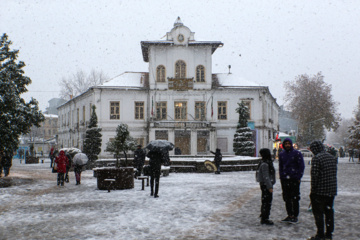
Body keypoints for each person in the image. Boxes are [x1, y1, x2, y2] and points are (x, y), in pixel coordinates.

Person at [307, 140, 337, 240]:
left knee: (318, 213)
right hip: (331, 190)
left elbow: (314, 176)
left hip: (319, 191)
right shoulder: (332, 157)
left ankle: (320, 234)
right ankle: (329, 233)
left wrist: (312, 191)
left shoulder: (317, 158)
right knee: (329, 212)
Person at [278, 138, 305, 224]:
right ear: (284, 145)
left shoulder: (297, 154)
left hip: (294, 179)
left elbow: (301, 166)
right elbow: (281, 166)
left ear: (291, 144)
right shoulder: (282, 154)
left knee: (295, 197)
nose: (287, 145)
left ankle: (295, 215)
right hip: (285, 179)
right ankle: (289, 214)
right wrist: (282, 176)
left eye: (288, 143)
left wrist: (298, 177)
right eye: (285, 144)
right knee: (287, 198)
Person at [256, 148, 276, 225]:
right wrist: (269, 187)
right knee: (267, 201)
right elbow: (266, 176)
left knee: (265, 201)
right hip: (266, 185)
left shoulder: (264, 162)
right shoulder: (265, 163)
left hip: (264, 185)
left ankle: (263, 215)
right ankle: (265, 218)